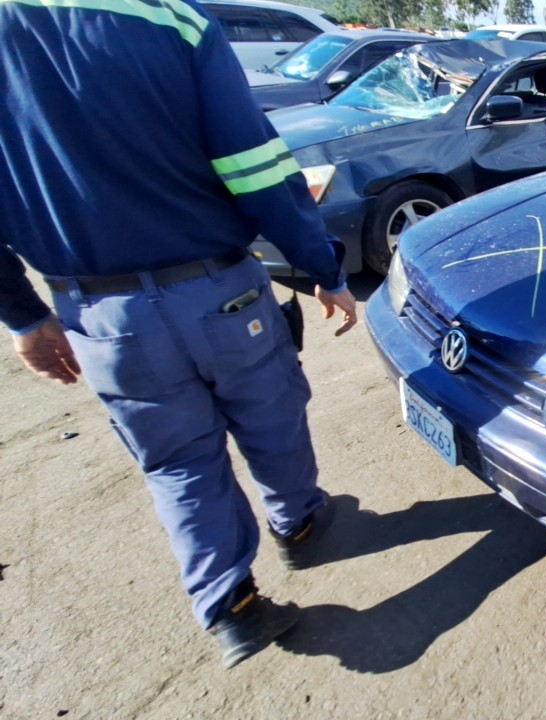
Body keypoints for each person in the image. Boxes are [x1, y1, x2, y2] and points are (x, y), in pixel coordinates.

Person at [0, 1, 359, 668]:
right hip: (218, 289)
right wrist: (323, 267)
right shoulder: (172, 21)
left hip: (98, 314)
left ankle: (232, 606)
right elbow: (254, 167)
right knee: (272, 413)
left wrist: (23, 316)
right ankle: (300, 523)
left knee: (175, 460)